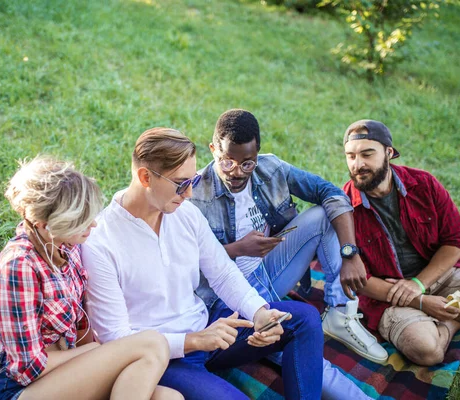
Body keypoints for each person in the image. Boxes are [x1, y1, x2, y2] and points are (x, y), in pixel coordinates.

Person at [83, 128, 325, 400]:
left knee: (304, 319)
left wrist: (258, 312)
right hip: (162, 358)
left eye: (193, 181)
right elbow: (115, 339)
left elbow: (222, 272)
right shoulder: (99, 242)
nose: (188, 194)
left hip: (208, 328)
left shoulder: (185, 213)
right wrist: (192, 341)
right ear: (145, 177)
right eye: (180, 183)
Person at [190, 109, 388, 366]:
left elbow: (331, 193)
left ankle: (339, 312)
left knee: (323, 213)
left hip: (271, 271)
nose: (237, 172)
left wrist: (350, 252)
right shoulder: (196, 194)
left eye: (247, 163)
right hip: (230, 294)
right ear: (213, 149)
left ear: (257, 155)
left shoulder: (271, 168)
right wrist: (238, 248)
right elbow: (185, 263)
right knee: (304, 358)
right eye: (227, 162)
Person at [0, 156, 181, 400]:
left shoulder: (67, 247)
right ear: (44, 224)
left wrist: (92, 351)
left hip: (67, 374)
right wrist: (92, 351)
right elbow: (28, 369)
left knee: (169, 398)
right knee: (152, 343)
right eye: (80, 221)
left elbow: (81, 325)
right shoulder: (18, 267)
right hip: (25, 390)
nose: (93, 225)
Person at [342, 119, 460, 366]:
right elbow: (359, 281)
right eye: (351, 156)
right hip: (388, 295)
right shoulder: (343, 209)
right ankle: (454, 321)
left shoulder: (423, 184)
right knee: (427, 351)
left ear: (389, 152)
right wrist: (421, 301)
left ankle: (447, 314)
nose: (358, 164)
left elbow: (456, 240)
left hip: (440, 274)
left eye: (367, 154)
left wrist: (418, 284)